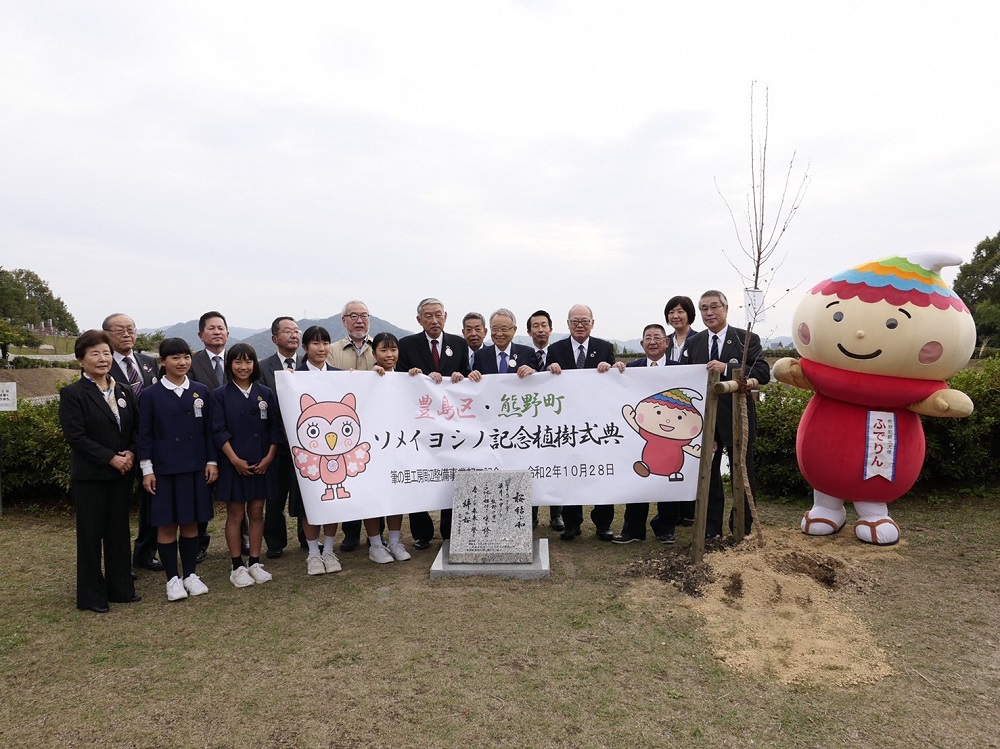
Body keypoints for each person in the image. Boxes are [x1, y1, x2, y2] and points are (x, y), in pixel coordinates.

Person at [59, 329, 141, 613]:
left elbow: (135, 428)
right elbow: (76, 437)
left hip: (121, 475)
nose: (103, 358)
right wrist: (110, 458)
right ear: (81, 360)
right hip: (91, 476)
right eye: (95, 354)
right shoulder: (73, 394)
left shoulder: (122, 390)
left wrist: (130, 452)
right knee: (91, 536)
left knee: (118, 533)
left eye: (106, 353)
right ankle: (93, 596)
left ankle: (121, 589)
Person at [682, 290, 771, 538]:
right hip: (705, 422)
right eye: (704, 309)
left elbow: (762, 372)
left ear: (726, 308)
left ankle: (741, 528)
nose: (709, 313)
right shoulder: (694, 343)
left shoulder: (746, 339)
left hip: (737, 418)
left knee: (742, 473)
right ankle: (711, 529)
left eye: (714, 307)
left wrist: (728, 368)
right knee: (708, 476)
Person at [139, 338, 218, 602]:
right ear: (162, 362)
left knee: (191, 523)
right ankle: (172, 578)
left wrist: (211, 461)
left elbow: (208, 431)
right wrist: (147, 469)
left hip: (195, 467)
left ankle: (191, 575)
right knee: (166, 524)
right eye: (175, 357)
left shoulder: (200, 391)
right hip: (163, 469)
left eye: (186, 356)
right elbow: (145, 435)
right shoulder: (150, 395)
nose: (182, 362)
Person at [395, 298, 470, 549]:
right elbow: (398, 380)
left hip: (451, 422)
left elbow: (469, 377)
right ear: (419, 320)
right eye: (428, 315)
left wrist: (463, 377)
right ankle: (421, 533)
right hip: (419, 421)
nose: (434, 320)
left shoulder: (459, 344)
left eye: (438, 314)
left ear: (446, 316)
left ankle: (450, 530)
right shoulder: (406, 345)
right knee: (419, 473)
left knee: (452, 472)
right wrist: (412, 375)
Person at [546, 304, 624, 541]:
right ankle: (572, 524)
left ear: (593, 322)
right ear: (567, 323)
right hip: (566, 423)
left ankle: (603, 524)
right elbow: (546, 383)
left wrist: (612, 368)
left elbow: (613, 381)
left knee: (601, 471)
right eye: (575, 321)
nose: (580, 325)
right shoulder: (556, 349)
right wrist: (550, 369)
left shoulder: (604, 347)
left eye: (584, 321)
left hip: (598, 423)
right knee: (570, 472)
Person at [211, 344, 280, 588]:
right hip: (234, 463)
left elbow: (275, 429)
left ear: (255, 364)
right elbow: (218, 430)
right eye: (238, 362)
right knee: (236, 514)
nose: (243, 367)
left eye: (248, 362)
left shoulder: (265, 393)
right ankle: (236, 565)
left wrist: (269, 457)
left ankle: (254, 562)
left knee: (257, 512)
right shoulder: (220, 394)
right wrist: (233, 459)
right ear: (229, 364)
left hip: (262, 461)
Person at [102, 313, 162, 574]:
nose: (127, 334)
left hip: (149, 444)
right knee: (119, 507)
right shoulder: (102, 365)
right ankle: (119, 561)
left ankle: (145, 553)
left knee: (151, 502)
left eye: (131, 329)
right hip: (119, 448)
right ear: (106, 335)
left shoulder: (149, 362)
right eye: (119, 330)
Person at [613, 323, 673, 544]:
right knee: (638, 481)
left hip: (669, 436)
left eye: (658, 337)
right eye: (648, 338)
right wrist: (615, 368)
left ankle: (666, 528)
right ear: (641, 344)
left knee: (669, 481)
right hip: (639, 436)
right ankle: (633, 530)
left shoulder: (681, 368)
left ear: (667, 342)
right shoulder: (631, 368)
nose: (653, 341)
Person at [294, 325, 345, 575]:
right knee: (309, 501)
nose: (321, 348)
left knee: (332, 497)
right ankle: (313, 553)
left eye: (325, 343)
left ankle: (328, 550)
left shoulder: (339, 375)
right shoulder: (294, 377)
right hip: (308, 452)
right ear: (305, 348)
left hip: (337, 451)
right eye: (315, 343)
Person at [326, 300, 376, 552]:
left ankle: (376, 536)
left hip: (376, 425)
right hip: (342, 428)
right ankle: (351, 533)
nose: (359, 320)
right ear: (343, 320)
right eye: (353, 315)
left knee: (373, 480)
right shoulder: (333, 350)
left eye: (364, 315)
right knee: (347, 478)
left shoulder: (380, 347)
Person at [258, 316, 306, 557]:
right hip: (276, 444)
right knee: (275, 497)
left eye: (296, 331)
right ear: (275, 338)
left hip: (307, 444)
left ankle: (307, 538)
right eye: (288, 331)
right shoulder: (263, 367)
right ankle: (275, 543)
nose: (294, 335)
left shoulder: (309, 365)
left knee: (306, 493)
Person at [365, 331, 413, 564]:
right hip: (373, 449)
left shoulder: (405, 377)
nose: (389, 354)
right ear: (374, 353)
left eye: (393, 349)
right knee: (373, 496)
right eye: (383, 350)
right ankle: (375, 544)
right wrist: (369, 378)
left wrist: (416, 377)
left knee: (397, 494)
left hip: (399, 447)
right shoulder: (366, 378)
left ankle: (394, 541)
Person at [188, 310, 232, 561]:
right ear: (200, 335)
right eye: (211, 328)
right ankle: (200, 542)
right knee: (202, 493)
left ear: (227, 332)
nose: (217, 332)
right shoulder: (191, 363)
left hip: (234, 439)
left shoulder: (239, 359)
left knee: (239, 492)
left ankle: (244, 537)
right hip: (203, 438)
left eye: (221, 328)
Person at [525, 309, 563, 531]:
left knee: (554, 467)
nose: (540, 329)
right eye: (535, 326)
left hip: (555, 420)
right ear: (529, 331)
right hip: (528, 423)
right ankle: (531, 512)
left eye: (544, 325)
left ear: (550, 328)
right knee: (530, 467)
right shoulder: (522, 355)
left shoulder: (560, 353)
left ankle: (556, 513)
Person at [664, 295, 698, 363]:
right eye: (671, 312)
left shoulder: (699, 340)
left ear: (689, 314)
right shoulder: (664, 342)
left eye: (680, 312)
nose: (675, 316)